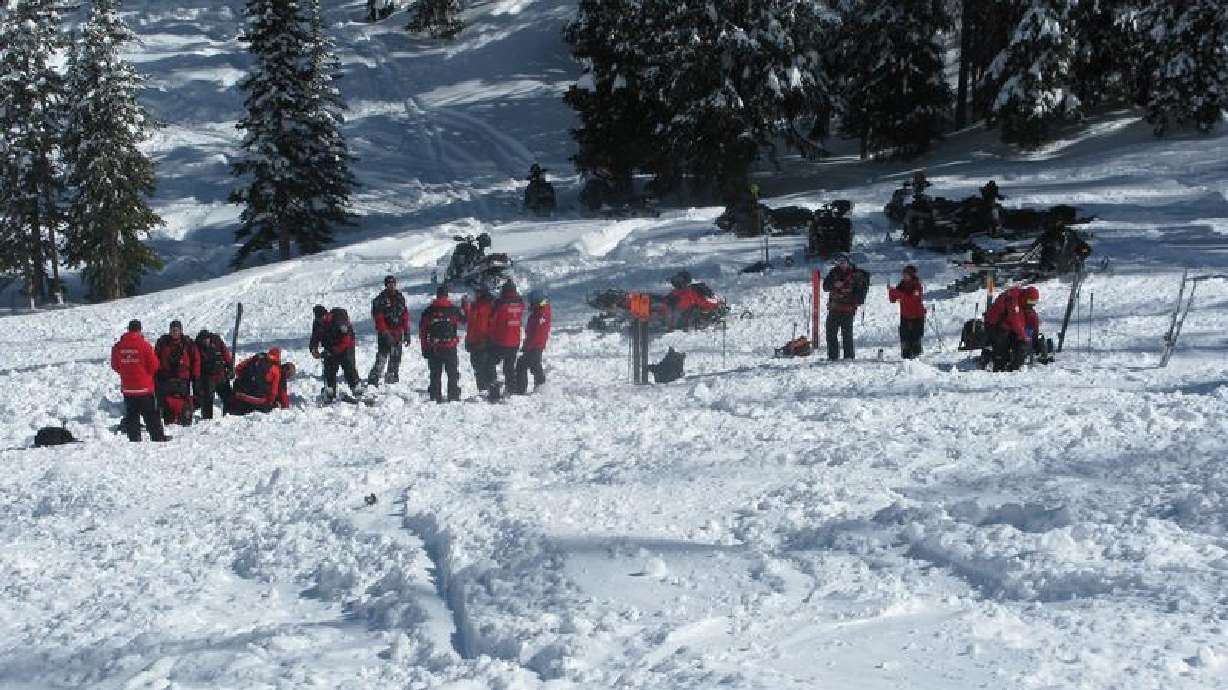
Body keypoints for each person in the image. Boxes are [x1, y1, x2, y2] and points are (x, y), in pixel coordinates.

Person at [111, 320, 170, 442]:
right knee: (151, 415)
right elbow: (154, 365)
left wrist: (126, 373)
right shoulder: (144, 345)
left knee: (132, 415)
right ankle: (158, 437)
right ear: (139, 330)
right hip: (144, 388)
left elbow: (115, 365)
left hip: (128, 389)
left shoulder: (118, 346)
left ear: (128, 329)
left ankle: (134, 438)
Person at [419, 286, 464, 403]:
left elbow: (423, 331)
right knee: (452, 373)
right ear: (447, 295)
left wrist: (424, 348)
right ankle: (453, 395)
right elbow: (464, 320)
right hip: (450, 346)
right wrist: (466, 306)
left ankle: (435, 396)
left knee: (435, 374)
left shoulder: (429, 311)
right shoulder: (453, 310)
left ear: (437, 295)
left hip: (435, 347)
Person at [822, 254, 869, 360]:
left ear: (848, 262)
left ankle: (849, 357)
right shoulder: (834, 272)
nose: (842, 264)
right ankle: (833, 356)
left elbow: (860, 292)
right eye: (839, 262)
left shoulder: (856, 275)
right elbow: (825, 286)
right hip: (834, 308)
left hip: (848, 309)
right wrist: (834, 284)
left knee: (847, 335)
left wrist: (853, 300)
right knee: (830, 333)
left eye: (843, 262)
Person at [154, 320, 200, 426]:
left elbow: (196, 360)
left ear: (181, 331)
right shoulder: (163, 342)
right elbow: (155, 358)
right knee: (165, 401)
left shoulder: (188, 343)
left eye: (176, 330)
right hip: (166, 377)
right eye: (172, 330)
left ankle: (184, 416)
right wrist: (156, 373)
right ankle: (168, 417)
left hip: (183, 378)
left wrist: (196, 376)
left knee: (183, 400)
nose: (174, 332)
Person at [984, 285, 1040, 372]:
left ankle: (1013, 360)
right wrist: (1025, 337)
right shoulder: (1013, 300)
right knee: (1005, 340)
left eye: (1034, 302)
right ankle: (999, 363)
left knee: (1017, 338)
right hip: (994, 324)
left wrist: (1034, 336)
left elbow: (1031, 318)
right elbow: (1015, 321)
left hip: (1007, 324)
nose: (1031, 304)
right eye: (1030, 301)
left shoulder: (1023, 302)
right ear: (1025, 297)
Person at [368, 275, 410, 386]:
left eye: (393, 284)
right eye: (389, 284)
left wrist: (406, 332)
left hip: (397, 332)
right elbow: (378, 318)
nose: (391, 286)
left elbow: (405, 316)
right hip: (385, 333)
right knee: (382, 356)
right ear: (385, 285)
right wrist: (385, 333)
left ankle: (391, 376)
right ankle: (374, 377)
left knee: (396, 356)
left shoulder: (400, 297)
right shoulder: (379, 300)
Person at [320, 307, 366, 402]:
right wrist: (313, 347)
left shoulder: (339, 322)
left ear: (326, 315)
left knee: (349, 367)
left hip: (346, 347)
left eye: (322, 318)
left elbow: (346, 339)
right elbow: (316, 335)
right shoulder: (319, 323)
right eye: (318, 319)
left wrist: (336, 350)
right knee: (330, 369)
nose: (320, 320)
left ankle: (357, 390)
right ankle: (330, 391)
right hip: (332, 347)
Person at [489, 280, 525, 394]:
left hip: (500, 341)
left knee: (490, 362)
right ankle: (511, 389)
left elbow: (492, 321)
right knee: (509, 367)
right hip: (514, 341)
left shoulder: (500, 305)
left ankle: (493, 388)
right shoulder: (520, 304)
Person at [514, 290, 551, 394]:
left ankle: (521, 390)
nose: (530, 304)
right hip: (534, 344)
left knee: (522, 365)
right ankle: (541, 387)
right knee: (535, 365)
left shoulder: (542, 313)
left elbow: (538, 333)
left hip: (536, 345)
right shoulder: (539, 310)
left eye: (531, 302)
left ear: (537, 301)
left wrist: (528, 346)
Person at [888, 265, 926, 359]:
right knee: (905, 339)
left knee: (915, 339)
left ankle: (916, 358)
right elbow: (893, 299)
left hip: (917, 316)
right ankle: (906, 358)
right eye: (903, 274)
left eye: (906, 275)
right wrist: (891, 292)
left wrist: (896, 293)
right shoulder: (902, 284)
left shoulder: (917, 286)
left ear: (911, 275)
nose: (904, 276)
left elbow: (910, 299)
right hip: (905, 315)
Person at [230, 348, 285, 414]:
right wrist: (270, 402)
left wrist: (245, 379)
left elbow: (238, 368)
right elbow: (273, 392)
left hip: (241, 395)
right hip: (258, 401)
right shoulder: (276, 370)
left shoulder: (256, 358)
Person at [194, 329, 234, 419]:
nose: (206, 342)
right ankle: (207, 419)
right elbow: (196, 363)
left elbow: (226, 354)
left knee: (228, 397)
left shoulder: (217, 341)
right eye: (204, 340)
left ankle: (229, 416)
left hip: (221, 374)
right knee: (207, 399)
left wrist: (230, 367)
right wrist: (196, 378)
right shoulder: (197, 347)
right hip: (207, 377)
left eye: (207, 339)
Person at [462, 286, 496, 392]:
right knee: (489, 366)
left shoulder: (479, 307)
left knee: (479, 367)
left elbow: (471, 319)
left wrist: (465, 305)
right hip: (488, 341)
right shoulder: (491, 306)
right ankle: (492, 388)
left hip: (477, 342)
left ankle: (484, 390)